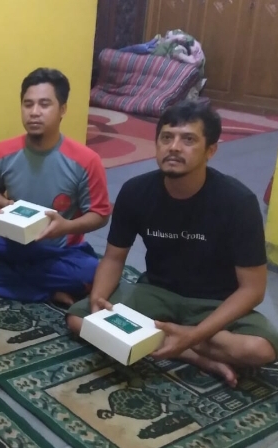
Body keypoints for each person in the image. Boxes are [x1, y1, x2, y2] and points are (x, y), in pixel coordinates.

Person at [66, 100, 278, 386]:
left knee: (260, 349)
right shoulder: (135, 191)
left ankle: (170, 339)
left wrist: (196, 333)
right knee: (79, 320)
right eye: (167, 138)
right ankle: (193, 354)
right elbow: (114, 258)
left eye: (188, 140)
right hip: (156, 292)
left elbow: (252, 290)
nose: (174, 147)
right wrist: (98, 304)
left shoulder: (238, 202)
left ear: (211, 150)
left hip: (214, 302)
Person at [0, 68, 111, 307]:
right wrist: (6, 205)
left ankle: (0, 278)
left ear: (63, 109)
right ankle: (47, 292)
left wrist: (66, 227)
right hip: (11, 242)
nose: (34, 112)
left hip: (61, 250)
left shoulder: (86, 160)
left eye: (44, 104)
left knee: (90, 273)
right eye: (28, 104)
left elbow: (100, 214)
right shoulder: (2, 152)